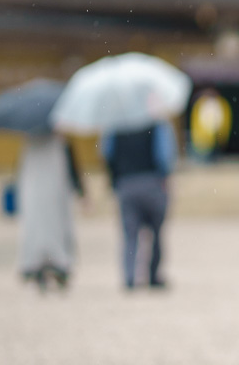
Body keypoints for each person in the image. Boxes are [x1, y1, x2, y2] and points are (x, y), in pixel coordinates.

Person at [101, 120, 176, 290]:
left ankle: (129, 276)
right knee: (156, 232)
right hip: (152, 182)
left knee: (130, 234)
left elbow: (107, 154)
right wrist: (166, 177)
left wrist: (115, 178)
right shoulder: (156, 124)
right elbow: (163, 156)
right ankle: (153, 275)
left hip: (126, 183)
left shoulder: (115, 126)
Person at [16, 133, 84, 290]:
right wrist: (81, 192)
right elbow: (72, 168)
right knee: (55, 228)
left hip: (38, 196)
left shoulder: (30, 143)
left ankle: (41, 264)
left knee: (40, 228)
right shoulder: (60, 142)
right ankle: (56, 265)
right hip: (54, 194)